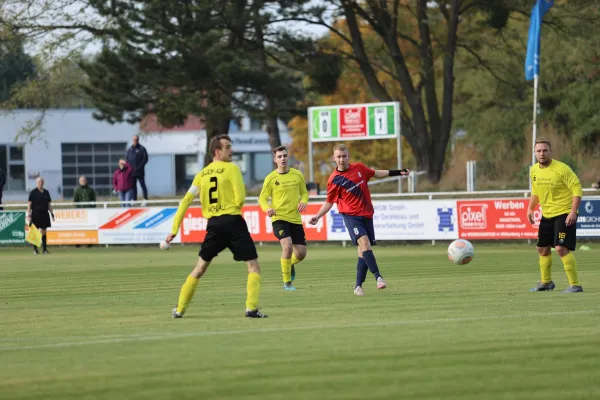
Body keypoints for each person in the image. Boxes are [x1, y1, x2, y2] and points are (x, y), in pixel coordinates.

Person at [165, 134, 268, 319]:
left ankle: (180, 309)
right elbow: (241, 196)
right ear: (217, 151)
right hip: (234, 222)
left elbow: (185, 201)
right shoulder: (232, 168)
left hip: (214, 225)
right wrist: (235, 206)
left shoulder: (201, 175)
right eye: (227, 147)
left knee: (200, 268)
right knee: (253, 266)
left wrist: (174, 229)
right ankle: (251, 308)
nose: (232, 150)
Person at [310, 144, 410, 296]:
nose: (341, 159)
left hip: (366, 214)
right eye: (338, 157)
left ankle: (358, 286)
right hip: (351, 216)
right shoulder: (334, 180)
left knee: (362, 251)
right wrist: (317, 216)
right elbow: (329, 202)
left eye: (344, 156)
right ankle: (379, 277)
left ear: (348, 156)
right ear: (333, 158)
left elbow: (376, 173)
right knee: (364, 243)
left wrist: (397, 172)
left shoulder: (359, 168)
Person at [527, 137, 583, 293]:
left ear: (550, 151)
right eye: (538, 151)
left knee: (560, 248)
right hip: (547, 214)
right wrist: (530, 208)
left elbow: (577, 189)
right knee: (542, 249)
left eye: (545, 150)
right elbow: (536, 191)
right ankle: (546, 282)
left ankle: (575, 285)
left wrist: (573, 211)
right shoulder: (534, 170)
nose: (542, 153)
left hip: (564, 213)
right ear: (534, 152)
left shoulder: (562, 169)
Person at [259, 146, 309, 291]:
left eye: (285, 156)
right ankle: (287, 283)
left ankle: (290, 263)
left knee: (301, 253)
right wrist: (267, 208)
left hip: (295, 218)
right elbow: (262, 198)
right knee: (287, 246)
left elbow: (304, 193)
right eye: (279, 156)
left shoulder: (297, 175)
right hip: (278, 218)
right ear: (275, 160)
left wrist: (303, 202)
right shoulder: (270, 178)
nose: (283, 159)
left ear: (288, 157)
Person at [27, 176, 55, 254]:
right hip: (36, 214)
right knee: (35, 232)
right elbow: (29, 204)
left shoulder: (46, 192)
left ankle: (45, 249)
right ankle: (35, 249)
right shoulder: (33, 192)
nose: (41, 183)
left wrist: (52, 214)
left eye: (42, 182)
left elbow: (49, 204)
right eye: (39, 182)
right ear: (36, 183)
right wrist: (29, 214)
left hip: (45, 214)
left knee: (44, 231)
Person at [73, 175, 96, 248]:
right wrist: (79, 209)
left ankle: (89, 242)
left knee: (89, 228)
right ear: (79, 182)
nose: (83, 182)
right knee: (79, 228)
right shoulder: (77, 190)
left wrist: (92, 208)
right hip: (80, 213)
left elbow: (94, 201)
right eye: (82, 181)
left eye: (84, 180)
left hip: (89, 212)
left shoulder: (90, 190)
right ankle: (78, 242)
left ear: (86, 181)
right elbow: (75, 202)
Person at [126, 135, 149, 205]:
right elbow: (127, 160)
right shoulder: (130, 149)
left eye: (136, 139)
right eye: (133, 139)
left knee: (142, 185)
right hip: (132, 172)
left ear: (138, 140)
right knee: (133, 186)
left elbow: (145, 159)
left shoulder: (142, 149)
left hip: (140, 172)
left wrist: (139, 167)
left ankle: (145, 199)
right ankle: (134, 199)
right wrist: (129, 168)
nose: (135, 141)